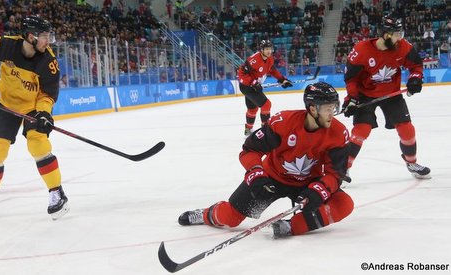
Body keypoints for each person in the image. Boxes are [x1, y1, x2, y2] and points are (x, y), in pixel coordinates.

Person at [178, 82, 354, 238]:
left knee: (344, 204)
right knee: (230, 218)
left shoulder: (339, 133)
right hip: (271, 179)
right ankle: (204, 214)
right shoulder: (283, 122)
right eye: (327, 109)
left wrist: (319, 190)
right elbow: (249, 150)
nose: (332, 113)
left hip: (306, 183)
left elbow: (335, 173)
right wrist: (257, 175)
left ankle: (291, 226)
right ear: (312, 108)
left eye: (334, 107)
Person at [0, 16, 68, 219]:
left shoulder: (48, 61)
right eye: (44, 36)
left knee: (38, 145)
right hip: (7, 104)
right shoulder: (5, 45)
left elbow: (48, 94)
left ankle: (57, 193)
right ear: (30, 36)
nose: (48, 41)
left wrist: (44, 113)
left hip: (33, 107)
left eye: (48, 36)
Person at [341, 14, 431, 179]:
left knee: (407, 130)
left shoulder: (403, 47)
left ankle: (412, 162)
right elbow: (351, 78)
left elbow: (416, 66)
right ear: (385, 34)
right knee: (361, 131)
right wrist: (351, 99)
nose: (399, 38)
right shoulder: (361, 50)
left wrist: (415, 79)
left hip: (391, 94)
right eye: (396, 34)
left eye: (400, 33)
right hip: (365, 95)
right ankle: (342, 170)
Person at [238, 40, 293, 136]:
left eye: (270, 49)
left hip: (253, 86)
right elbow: (241, 73)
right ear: (262, 50)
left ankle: (248, 129)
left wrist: (282, 79)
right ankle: (265, 130)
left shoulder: (270, 59)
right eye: (267, 49)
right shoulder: (254, 60)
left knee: (252, 109)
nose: (269, 51)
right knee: (266, 105)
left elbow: (272, 70)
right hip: (247, 86)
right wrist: (253, 83)